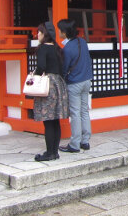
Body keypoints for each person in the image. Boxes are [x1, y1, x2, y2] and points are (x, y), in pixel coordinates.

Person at [32, 22, 69, 161]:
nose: (37, 35)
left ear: (44, 34)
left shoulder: (42, 48)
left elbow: (41, 66)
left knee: (48, 121)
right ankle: (55, 152)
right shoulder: (57, 48)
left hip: (48, 84)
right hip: (59, 83)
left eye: (39, 32)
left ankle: (49, 153)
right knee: (55, 120)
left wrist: (34, 75)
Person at [58, 19, 93, 154]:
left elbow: (65, 68)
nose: (59, 32)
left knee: (75, 112)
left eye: (60, 29)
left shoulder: (67, 48)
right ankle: (85, 140)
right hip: (86, 80)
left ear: (65, 32)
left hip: (75, 83)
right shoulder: (82, 42)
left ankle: (74, 143)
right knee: (84, 110)